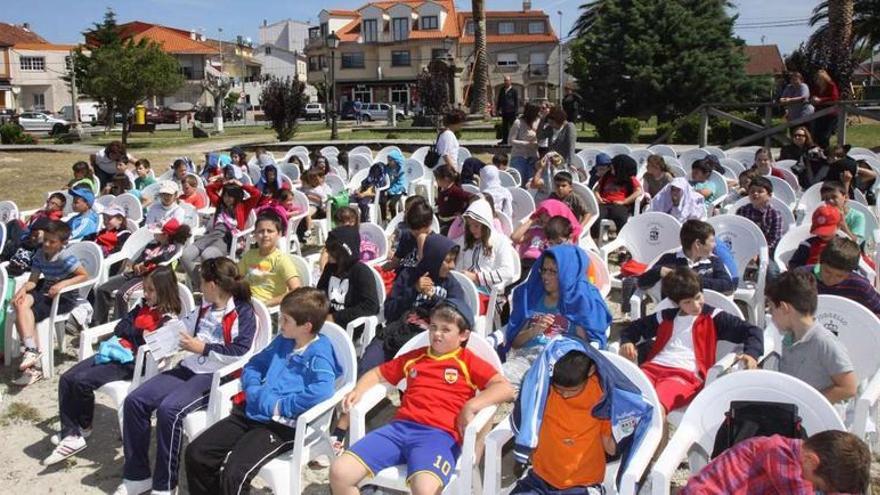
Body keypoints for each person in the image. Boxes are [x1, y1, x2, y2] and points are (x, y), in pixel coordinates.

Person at [329, 298, 515, 495]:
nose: (437, 334)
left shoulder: (467, 361)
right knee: (339, 473)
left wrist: (471, 405)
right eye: (433, 327)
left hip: (439, 437)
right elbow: (377, 374)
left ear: (463, 335)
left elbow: (505, 388)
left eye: (446, 329)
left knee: (425, 490)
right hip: (399, 430)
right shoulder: (415, 357)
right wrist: (358, 390)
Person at [116, 257, 256, 495]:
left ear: (213, 284)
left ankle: (165, 485)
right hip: (190, 366)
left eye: (202, 282)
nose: (199, 286)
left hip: (214, 376)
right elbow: (182, 328)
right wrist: (158, 340)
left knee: (169, 410)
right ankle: (137, 475)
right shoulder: (205, 306)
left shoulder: (243, 311)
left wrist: (202, 348)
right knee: (134, 401)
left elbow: (241, 351)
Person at [184, 287, 342, 494]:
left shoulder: (319, 355)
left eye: (286, 320)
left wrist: (280, 406)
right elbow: (254, 365)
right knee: (197, 453)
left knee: (235, 472)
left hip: (281, 425)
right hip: (251, 409)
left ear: (306, 327)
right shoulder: (283, 341)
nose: (280, 324)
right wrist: (253, 389)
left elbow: (322, 391)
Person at [43, 266, 182, 465]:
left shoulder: (168, 320)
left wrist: (132, 333)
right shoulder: (143, 306)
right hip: (117, 352)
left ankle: (81, 428)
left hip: (133, 364)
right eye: (145, 288)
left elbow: (149, 345)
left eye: (151, 290)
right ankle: (72, 432)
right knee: (67, 379)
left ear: (165, 290)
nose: (146, 293)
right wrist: (135, 332)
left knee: (82, 382)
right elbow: (120, 327)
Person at [620, 267, 762, 413]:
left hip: (684, 375)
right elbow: (633, 328)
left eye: (698, 297)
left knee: (656, 408)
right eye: (687, 302)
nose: (695, 305)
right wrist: (627, 341)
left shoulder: (714, 317)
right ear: (677, 303)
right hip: (652, 368)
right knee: (628, 400)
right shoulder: (666, 316)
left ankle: (654, 433)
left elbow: (752, 330)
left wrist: (752, 353)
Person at [503, 245, 612, 388]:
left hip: (561, 364)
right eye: (544, 270)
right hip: (526, 358)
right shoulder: (532, 297)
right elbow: (515, 343)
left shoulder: (583, 302)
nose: (545, 277)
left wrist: (577, 321)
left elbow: (588, 348)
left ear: (568, 273)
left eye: (553, 272)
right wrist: (534, 331)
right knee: (498, 378)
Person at [11, 221, 89, 386]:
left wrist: (62, 284)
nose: (46, 244)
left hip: (64, 298)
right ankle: (32, 350)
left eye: (52, 242)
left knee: (27, 313)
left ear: (62, 243)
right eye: (45, 239)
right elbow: (33, 281)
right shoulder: (40, 253)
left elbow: (83, 275)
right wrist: (22, 290)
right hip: (46, 290)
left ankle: (33, 365)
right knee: (20, 303)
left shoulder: (65, 257)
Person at [766, 270, 857, 404]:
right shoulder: (789, 337)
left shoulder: (824, 342)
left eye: (772, 309)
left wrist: (809, 403)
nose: (771, 315)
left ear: (785, 308)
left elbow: (849, 388)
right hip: (793, 411)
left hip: (820, 418)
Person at [681, 430, 870, 494]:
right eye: (817, 485)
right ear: (812, 461)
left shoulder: (802, 458)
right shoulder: (781, 455)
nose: (814, 488)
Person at [93, 218, 191, 325]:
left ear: (165, 235)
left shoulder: (172, 248)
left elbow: (163, 258)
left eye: (157, 233)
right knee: (102, 289)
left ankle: (120, 324)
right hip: (134, 274)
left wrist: (145, 264)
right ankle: (99, 323)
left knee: (122, 294)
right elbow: (140, 258)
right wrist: (136, 265)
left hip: (148, 278)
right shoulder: (153, 244)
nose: (154, 235)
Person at [181, 179, 262, 290]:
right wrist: (223, 183)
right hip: (211, 235)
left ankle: (210, 287)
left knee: (207, 255)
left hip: (227, 238)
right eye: (225, 195)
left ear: (237, 196)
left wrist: (242, 185)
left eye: (230, 196)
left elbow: (257, 194)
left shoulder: (243, 206)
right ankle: (201, 285)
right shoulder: (220, 204)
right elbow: (209, 189)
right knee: (185, 255)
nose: (227, 199)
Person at [638, 219, 736, 296]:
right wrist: (659, 271)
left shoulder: (713, 261)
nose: (715, 245)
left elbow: (728, 285)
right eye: (712, 241)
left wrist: (687, 279)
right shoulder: (670, 259)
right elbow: (642, 282)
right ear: (698, 244)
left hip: (705, 316)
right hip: (673, 315)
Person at [316, 226, 380, 332]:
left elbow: (371, 306)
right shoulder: (330, 267)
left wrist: (335, 318)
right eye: (328, 249)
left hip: (351, 326)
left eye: (333, 250)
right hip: (327, 321)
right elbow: (320, 292)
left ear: (344, 253)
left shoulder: (361, 272)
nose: (328, 253)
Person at [455, 199, 519, 303]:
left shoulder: (500, 241)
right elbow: (457, 264)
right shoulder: (465, 240)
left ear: (486, 224)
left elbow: (508, 272)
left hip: (487, 294)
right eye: (470, 225)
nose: (472, 229)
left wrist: (477, 277)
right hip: (465, 289)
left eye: (476, 225)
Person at [800, 236, 880, 316]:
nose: (831, 279)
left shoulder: (861, 287)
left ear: (850, 272)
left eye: (839, 276)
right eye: (827, 272)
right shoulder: (802, 277)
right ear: (820, 262)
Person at [238, 210, 301, 308]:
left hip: (265, 306)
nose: (265, 235)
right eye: (261, 231)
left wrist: (268, 303)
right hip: (246, 301)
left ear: (279, 234)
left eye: (270, 231)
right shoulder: (249, 255)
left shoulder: (281, 260)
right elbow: (237, 277)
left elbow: (296, 290)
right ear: (254, 234)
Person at [513, 199, 582, 274]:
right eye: (542, 214)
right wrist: (531, 222)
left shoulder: (559, 239)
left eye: (547, 215)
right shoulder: (537, 231)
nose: (544, 217)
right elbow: (515, 238)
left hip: (540, 265)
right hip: (525, 263)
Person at [592, 154, 642, 237]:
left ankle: (621, 240)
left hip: (619, 204)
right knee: (596, 217)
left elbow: (638, 191)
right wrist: (598, 198)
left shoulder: (629, 179)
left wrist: (624, 202)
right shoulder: (607, 177)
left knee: (621, 218)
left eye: (613, 167)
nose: (611, 169)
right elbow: (596, 189)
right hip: (604, 203)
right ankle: (596, 239)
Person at [735, 176, 784, 257]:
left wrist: (758, 253)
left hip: (766, 252)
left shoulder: (775, 214)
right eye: (752, 191)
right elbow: (737, 233)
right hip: (743, 250)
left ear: (769, 195)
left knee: (772, 270)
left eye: (760, 191)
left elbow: (775, 240)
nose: (755, 194)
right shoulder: (742, 210)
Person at [384, 199, 434, 274]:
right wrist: (379, 270)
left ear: (429, 224)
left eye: (417, 228)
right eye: (411, 227)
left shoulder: (435, 242)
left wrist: (421, 241)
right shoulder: (406, 235)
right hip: (402, 277)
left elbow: (428, 271)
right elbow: (395, 262)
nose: (413, 231)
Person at [788, 204, 841, 270]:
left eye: (827, 230)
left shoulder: (844, 246)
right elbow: (794, 264)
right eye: (820, 231)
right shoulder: (807, 244)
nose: (823, 234)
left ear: (838, 226)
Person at [821, 180, 865, 245]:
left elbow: (855, 242)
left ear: (845, 197)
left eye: (834, 197)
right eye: (826, 199)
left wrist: (843, 225)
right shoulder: (822, 214)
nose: (830, 201)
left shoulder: (858, 216)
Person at [434, 164, 472, 234]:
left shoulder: (456, 191)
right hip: (441, 219)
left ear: (446, 179)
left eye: (437, 179)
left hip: (451, 223)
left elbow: (472, 197)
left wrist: (463, 211)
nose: (436, 181)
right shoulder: (441, 188)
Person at [509, 102, 541, 186]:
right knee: (519, 181)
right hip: (519, 156)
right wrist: (527, 144)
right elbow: (511, 140)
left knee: (531, 183)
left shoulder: (538, 121)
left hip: (533, 156)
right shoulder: (518, 122)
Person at [811, 68, 840, 149]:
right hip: (819, 114)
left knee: (825, 136)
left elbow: (834, 98)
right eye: (817, 78)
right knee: (816, 136)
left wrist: (821, 100)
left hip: (830, 114)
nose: (818, 80)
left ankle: (826, 152)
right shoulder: (816, 87)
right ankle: (818, 153)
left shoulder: (831, 85)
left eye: (820, 78)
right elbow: (813, 95)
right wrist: (813, 98)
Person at [381, 149, 408, 222]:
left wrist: (391, 190)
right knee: (382, 201)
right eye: (388, 160)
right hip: (388, 188)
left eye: (390, 160)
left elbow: (400, 183)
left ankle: (394, 220)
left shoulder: (401, 170)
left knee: (392, 204)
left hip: (398, 190)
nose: (388, 162)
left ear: (396, 161)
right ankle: (384, 219)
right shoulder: (387, 168)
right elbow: (385, 179)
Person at [497, 75, 519, 145]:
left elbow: (516, 101)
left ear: (510, 81)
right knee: (505, 127)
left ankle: (513, 140)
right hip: (504, 111)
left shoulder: (514, 90)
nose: (506, 82)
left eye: (507, 80)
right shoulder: (502, 90)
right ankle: (505, 140)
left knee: (513, 127)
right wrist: (498, 109)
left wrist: (516, 111)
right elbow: (499, 100)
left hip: (512, 112)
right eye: (505, 80)